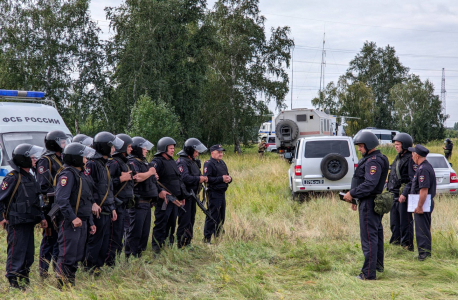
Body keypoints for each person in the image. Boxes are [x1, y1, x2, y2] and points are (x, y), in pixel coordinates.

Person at [343, 132, 389, 280]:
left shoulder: (373, 161)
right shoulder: (375, 158)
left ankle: (368, 274)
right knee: (375, 235)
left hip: (369, 203)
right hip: (369, 201)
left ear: (369, 145)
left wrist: (352, 193)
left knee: (369, 238)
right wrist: (356, 199)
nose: (359, 149)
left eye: (361, 146)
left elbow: (370, 184)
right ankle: (377, 266)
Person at [0, 144, 47, 289]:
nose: (35, 160)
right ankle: (13, 281)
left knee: (28, 253)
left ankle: (24, 278)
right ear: (23, 159)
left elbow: (36, 201)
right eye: (32, 157)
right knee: (16, 252)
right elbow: (0, 199)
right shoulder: (13, 177)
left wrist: (42, 217)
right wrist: (2, 218)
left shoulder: (30, 177)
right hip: (17, 222)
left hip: (29, 221)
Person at [54, 142, 97, 287]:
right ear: (75, 158)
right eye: (83, 156)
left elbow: (87, 202)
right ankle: (62, 285)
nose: (86, 159)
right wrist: (73, 218)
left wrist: (90, 222)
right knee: (67, 254)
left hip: (82, 221)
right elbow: (61, 200)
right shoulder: (68, 174)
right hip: (70, 222)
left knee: (77, 254)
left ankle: (70, 283)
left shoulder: (81, 175)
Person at [84, 132, 122, 273]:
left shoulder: (104, 164)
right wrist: (92, 203)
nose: (113, 149)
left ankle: (98, 267)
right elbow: (87, 187)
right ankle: (89, 268)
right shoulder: (92, 164)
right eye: (111, 146)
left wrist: (112, 207)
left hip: (106, 209)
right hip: (96, 210)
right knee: (95, 241)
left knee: (105, 242)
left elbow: (108, 189)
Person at [36, 130, 71, 278]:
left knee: (59, 239)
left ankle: (58, 269)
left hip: (60, 204)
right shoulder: (45, 160)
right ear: (54, 142)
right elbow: (43, 185)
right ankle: (43, 271)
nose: (64, 144)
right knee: (49, 239)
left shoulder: (63, 158)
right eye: (62, 141)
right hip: (50, 206)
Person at [125, 137, 158, 258]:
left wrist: (153, 176)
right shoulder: (132, 162)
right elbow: (137, 177)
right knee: (135, 232)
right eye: (144, 148)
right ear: (138, 148)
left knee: (144, 233)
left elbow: (150, 178)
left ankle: (139, 256)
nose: (146, 150)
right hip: (137, 203)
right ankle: (129, 257)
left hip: (147, 203)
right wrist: (150, 173)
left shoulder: (144, 162)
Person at [150, 137, 184, 254]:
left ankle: (168, 246)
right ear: (163, 149)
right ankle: (156, 248)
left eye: (173, 148)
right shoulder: (157, 162)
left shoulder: (172, 161)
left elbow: (177, 180)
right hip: (164, 200)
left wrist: (181, 196)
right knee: (161, 223)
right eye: (170, 148)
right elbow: (151, 178)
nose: (173, 150)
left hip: (174, 199)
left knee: (171, 223)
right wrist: (159, 191)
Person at [106, 134, 135, 265]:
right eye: (129, 146)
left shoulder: (124, 162)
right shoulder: (115, 162)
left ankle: (117, 260)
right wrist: (120, 179)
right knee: (115, 235)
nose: (131, 149)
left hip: (124, 205)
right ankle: (110, 262)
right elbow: (106, 183)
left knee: (121, 234)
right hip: (116, 205)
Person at [405, 144, 436, 261]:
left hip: (423, 204)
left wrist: (419, 206)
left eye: (413, 153)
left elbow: (424, 190)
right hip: (424, 203)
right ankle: (424, 254)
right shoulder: (424, 167)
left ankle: (424, 256)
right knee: (423, 229)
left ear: (417, 155)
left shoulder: (423, 169)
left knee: (422, 230)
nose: (412, 156)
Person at [176, 138, 208, 248]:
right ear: (190, 150)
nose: (197, 153)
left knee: (191, 220)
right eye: (196, 151)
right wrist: (198, 179)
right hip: (185, 196)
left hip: (193, 196)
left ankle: (188, 242)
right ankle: (181, 244)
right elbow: (184, 177)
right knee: (184, 221)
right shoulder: (181, 162)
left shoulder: (191, 161)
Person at [387, 133, 415, 251]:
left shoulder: (410, 159)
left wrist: (404, 194)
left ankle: (407, 244)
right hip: (394, 194)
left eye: (398, 144)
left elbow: (412, 180)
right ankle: (396, 241)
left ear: (405, 145)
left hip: (404, 195)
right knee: (394, 221)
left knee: (405, 221)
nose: (395, 146)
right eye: (395, 144)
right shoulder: (398, 157)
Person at [203, 145, 232, 244]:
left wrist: (229, 179)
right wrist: (221, 179)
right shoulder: (209, 164)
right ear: (212, 153)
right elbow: (207, 179)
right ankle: (207, 238)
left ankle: (218, 236)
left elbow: (226, 175)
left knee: (221, 216)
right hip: (213, 193)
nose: (221, 154)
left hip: (222, 192)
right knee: (212, 216)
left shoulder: (222, 163)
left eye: (221, 152)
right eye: (218, 152)